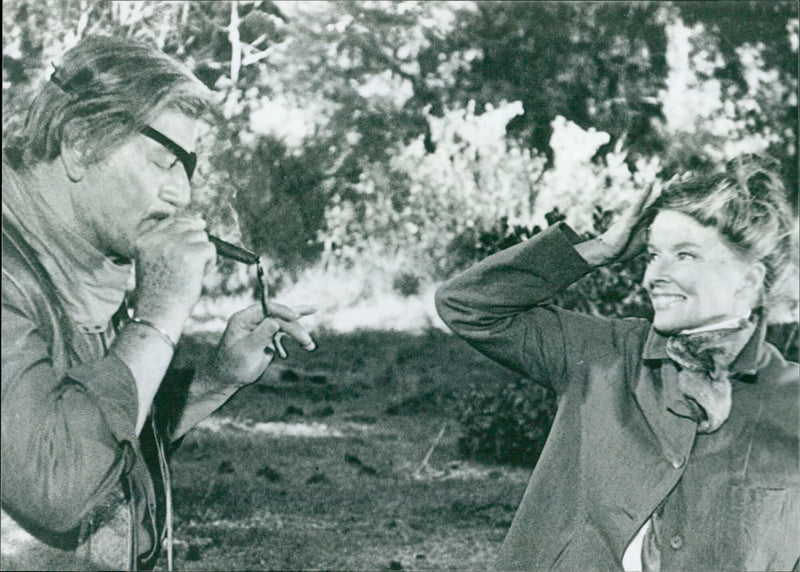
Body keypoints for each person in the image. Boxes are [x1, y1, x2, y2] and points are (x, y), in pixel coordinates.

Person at [1, 36, 316, 570]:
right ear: (80, 141)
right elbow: (55, 485)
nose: (181, 195)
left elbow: (101, 431)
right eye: (163, 160)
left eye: (187, 168)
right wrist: (159, 314)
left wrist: (215, 380)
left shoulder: (79, 263)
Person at [436, 156, 799, 570]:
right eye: (651, 255)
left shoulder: (792, 400)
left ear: (748, 281)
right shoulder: (605, 353)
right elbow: (466, 306)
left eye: (684, 255)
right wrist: (598, 251)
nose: (653, 276)